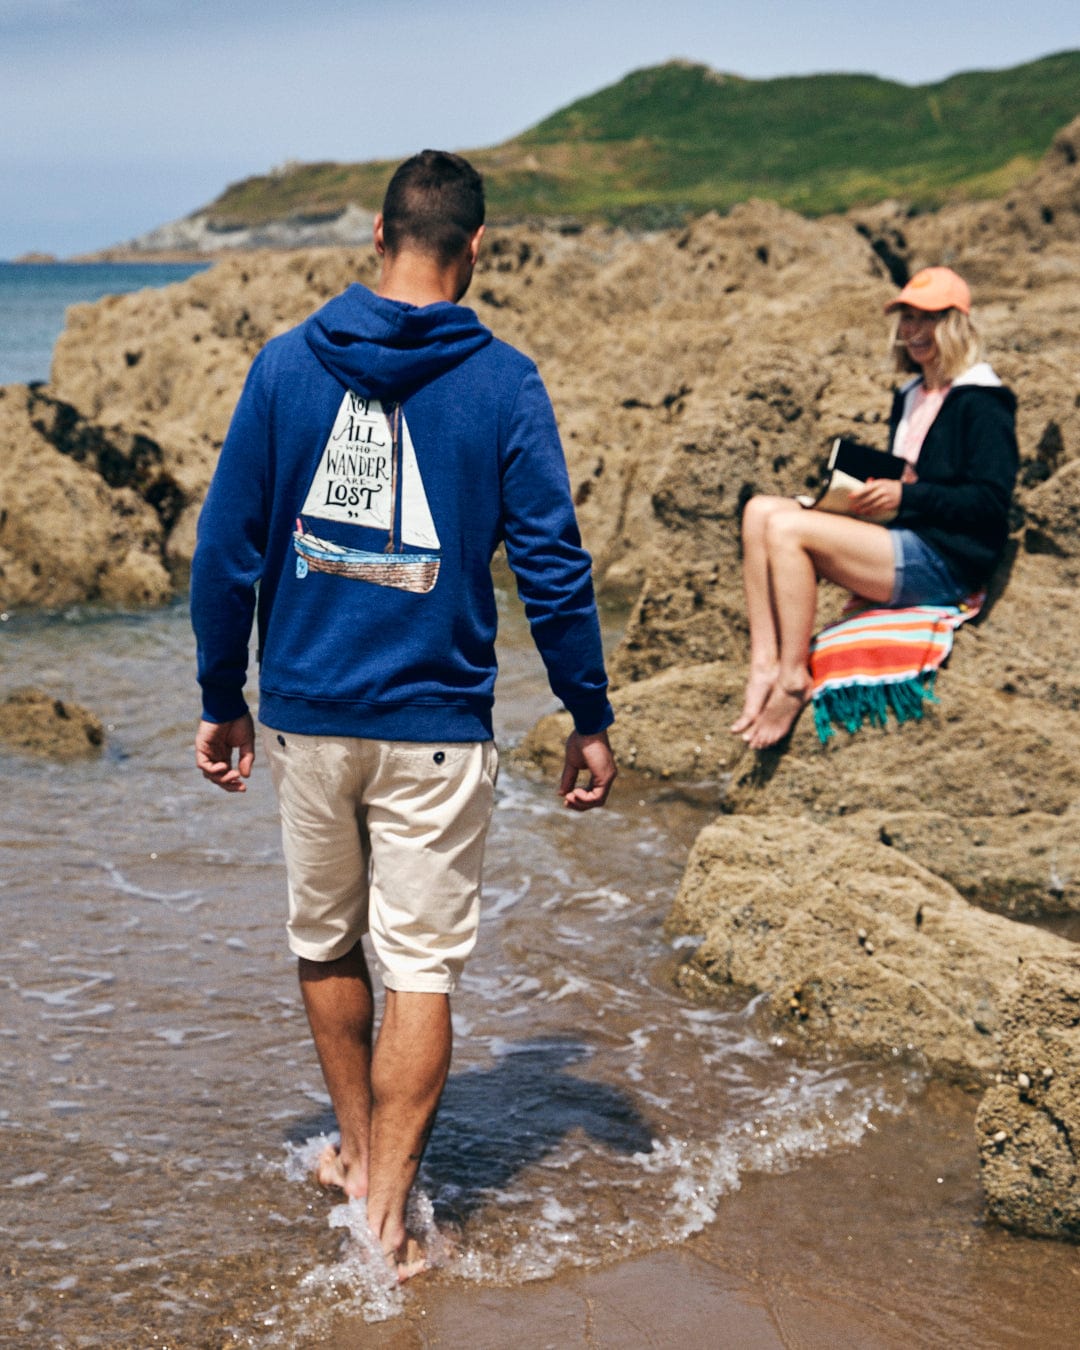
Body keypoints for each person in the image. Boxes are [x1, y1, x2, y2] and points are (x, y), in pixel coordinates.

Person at [190, 150, 616, 1281]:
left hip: (309, 718)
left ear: (376, 236)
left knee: (325, 940)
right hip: (436, 726)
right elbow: (554, 567)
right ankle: (388, 1213)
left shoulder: (285, 367)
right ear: (476, 250)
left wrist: (217, 694)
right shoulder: (506, 381)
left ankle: (365, 1157)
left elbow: (225, 552)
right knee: (419, 966)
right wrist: (588, 710)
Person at [730, 265, 1018, 750]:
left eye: (927, 319)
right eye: (907, 318)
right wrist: (853, 500)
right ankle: (765, 664)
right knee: (760, 510)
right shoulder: (910, 395)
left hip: (946, 560)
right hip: (906, 535)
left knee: (787, 531)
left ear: (956, 324)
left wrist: (907, 495)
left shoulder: (984, 401)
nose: (913, 331)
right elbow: (916, 482)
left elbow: (990, 503)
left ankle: (793, 677)